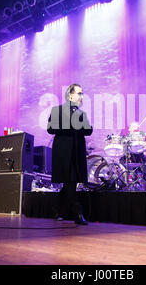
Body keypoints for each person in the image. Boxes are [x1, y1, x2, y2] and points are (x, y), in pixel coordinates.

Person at [47, 84, 93, 225]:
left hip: (77, 152)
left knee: (70, 183)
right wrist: (70, 125)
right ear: (70, 95)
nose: (81, 96)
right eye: (79, 93)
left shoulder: (81, 114)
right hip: (63, 152)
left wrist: (84, 127)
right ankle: (77, 213)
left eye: (82, 93)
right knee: (70, 181)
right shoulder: (57, 110)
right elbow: (50, 128)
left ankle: (58, 210)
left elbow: (88, 131)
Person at [120, 122, 146, 188]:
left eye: (138, 128)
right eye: (134, 127)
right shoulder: (125, 138)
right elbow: (120, 150)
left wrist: (145, 153)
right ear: (129, 129)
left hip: (141, 162)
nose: (136, 128)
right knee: (121, 166)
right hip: (128, 162)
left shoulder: (142, 138)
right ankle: (125, 186)